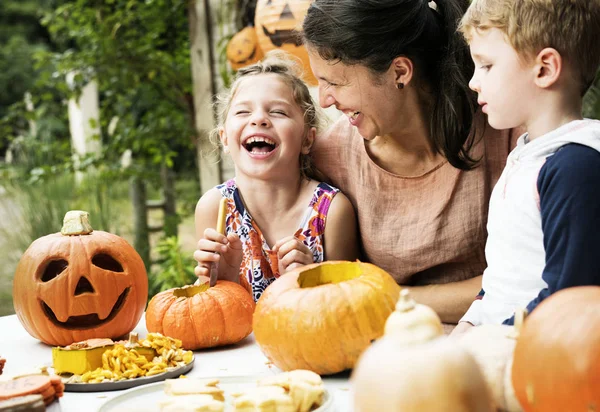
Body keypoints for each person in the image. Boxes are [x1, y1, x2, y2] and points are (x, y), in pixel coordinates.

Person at [302, 0, 520, 324]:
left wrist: (388, 297)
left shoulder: (503, 131)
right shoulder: (330, 158)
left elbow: (520, 281)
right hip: (387, 357)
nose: (324, 99)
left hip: (496, 345)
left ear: (399, 72)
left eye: (336, 82)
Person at [450, 0, 600, 333]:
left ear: (544, 68)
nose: (474, 82)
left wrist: (489, 339)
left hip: (538, 354)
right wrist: (471, 321)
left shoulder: (575, 166)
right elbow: (506, 274)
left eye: (486, 66)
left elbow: (568, 298)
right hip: (499, 340)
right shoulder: (528, 156)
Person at [193, 53, 360, 302]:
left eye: (278, 112)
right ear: (225, 138)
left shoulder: (332, 211)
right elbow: (208, 313)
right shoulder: (216, 207)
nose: (259, 119)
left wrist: (310, 281)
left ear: (307, 139)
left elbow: (350, 303)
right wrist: (224, 282)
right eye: (243, 112)